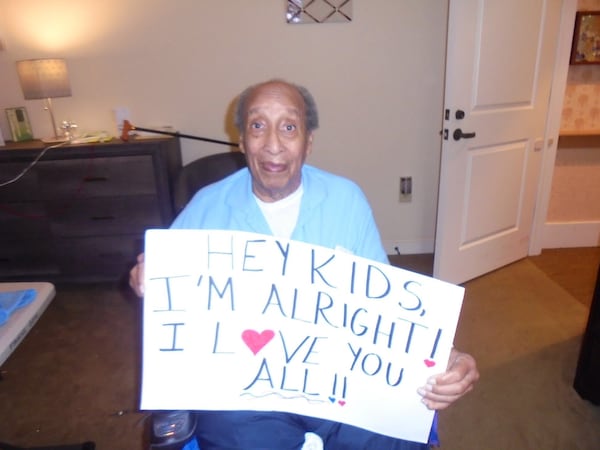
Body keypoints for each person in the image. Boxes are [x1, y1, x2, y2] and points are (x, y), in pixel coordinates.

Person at [129, 79, 479, 450]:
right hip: (245, 389)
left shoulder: (346, 200)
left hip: (337, 379)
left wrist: (450, 356)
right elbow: (172, 307)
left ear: (308, 142)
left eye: (289, 127)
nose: (273, 144)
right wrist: (148, 282)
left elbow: (389, 308)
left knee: (396, 437)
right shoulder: (206, 206)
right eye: (258, 126)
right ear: (242, 141)